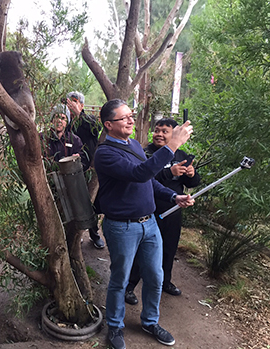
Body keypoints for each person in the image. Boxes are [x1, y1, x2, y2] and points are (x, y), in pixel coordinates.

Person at [94, 99, 195, 349]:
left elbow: (148, 180)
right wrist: (173, 144)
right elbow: (138, 173)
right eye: (124, 117)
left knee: (155, 276)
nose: (131, 120)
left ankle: (150, 321)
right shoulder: (105, 153)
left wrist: (173, 196)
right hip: (121, 226)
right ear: (109, 125)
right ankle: (115, 326)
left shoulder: (136, 145)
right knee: (120, 278)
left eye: (131, 115)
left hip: (149, 224)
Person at [125, 118, 201, 306]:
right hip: (148, 210)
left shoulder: (180, 153)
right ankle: (129, 286)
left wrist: (191, 174)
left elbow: (192, 183)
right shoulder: (145, 153)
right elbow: (142, 176)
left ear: (174, 134)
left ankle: (166, 281)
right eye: (157, 130)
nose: (159, 134)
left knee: (169, 248)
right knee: (140, 250)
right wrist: (169, 172)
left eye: (164, 131)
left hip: (173, 210)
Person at [65, 91, 105, 249]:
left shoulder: (89, 120)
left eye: (75, 102)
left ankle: (94, 234)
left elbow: (97, 130)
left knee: (93, 202)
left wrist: (79, 114)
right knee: (75, 202)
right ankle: (77, 234)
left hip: (91, 169)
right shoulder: (67, 122)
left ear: (81, 104)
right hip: (73, 171)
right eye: (69, 102)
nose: (71, 105)